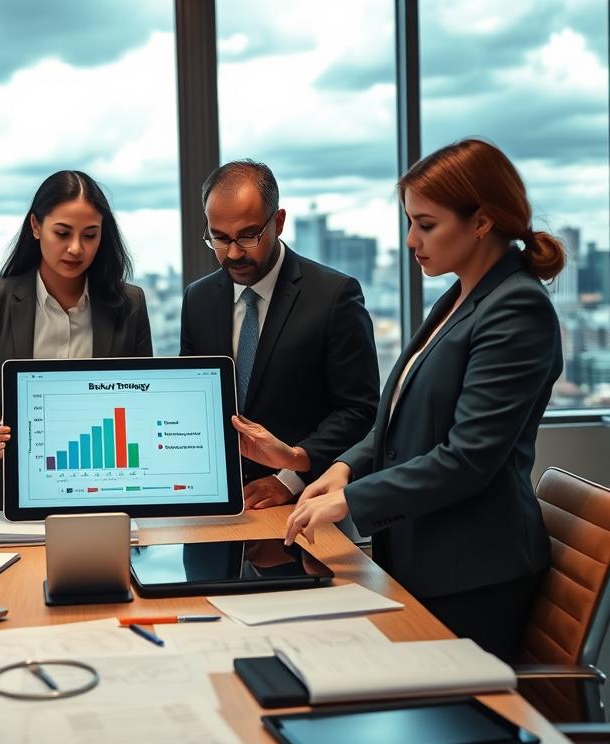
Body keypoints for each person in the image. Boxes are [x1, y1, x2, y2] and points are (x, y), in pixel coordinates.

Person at [232, 139, 564, 662]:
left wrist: (352, 501)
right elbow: (396, 419)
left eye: (426, 224)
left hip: (472, 576)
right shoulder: (460, 297)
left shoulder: (517, 308)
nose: (411, 240)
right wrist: (343, 468)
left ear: (481, 222)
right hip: (424, 558)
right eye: (410, 222)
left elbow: (467, 459)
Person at [180, 159, 379, 510]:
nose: (234, 252)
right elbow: (194, 401)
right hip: (214, 502)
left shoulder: (334, 296)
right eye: (220, 239)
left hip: (304, 503)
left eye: (248, 235)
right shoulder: (198, 298)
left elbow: (358, 411)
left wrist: (290, 477)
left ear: (279, 222)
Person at [0, 170, 153, 513]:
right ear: (35, 226)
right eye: (62, 233)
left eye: (90, 235)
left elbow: (140, 397)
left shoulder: (129, 305)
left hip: (109, 489)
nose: (76, 248)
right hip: (12, 490)